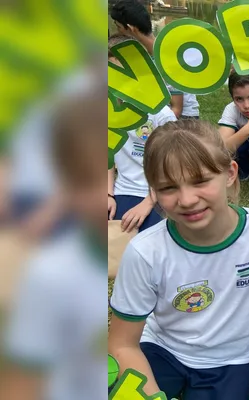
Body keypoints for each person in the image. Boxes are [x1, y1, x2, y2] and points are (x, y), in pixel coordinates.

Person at [108, 120, 249, 399]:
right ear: (153, 191)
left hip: (230, 359)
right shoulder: (145, 252)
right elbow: (122, 345)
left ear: (231, 173)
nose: (186, 199)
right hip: (162, 349)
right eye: (168, 187)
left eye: (200, 181)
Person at [2, 86, 108, 400]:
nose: (100, 193)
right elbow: (23, 380)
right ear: (65, 188)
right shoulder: (50, 275)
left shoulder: (148, 253)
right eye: (86, 181)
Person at [108, 35, 176, 233]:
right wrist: (108, 194)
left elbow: (172, 165)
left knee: (153, 241)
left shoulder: (161, 114)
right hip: (122, 191)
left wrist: (148, 203)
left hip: (159, 192)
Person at [110, 0, 199, 119]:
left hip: (183, 121)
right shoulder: (144, 56)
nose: (117, 31)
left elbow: (176, 110)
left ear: (131, 28)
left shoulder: (165, 59)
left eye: (118, 26)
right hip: (159, 115)